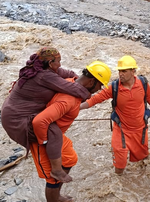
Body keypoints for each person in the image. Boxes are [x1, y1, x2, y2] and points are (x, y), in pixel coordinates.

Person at [1, 47, 91, 183]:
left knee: (51, 129)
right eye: (58, 61)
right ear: (50, 63)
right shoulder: (44, 75)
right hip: (17, 119)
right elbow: (73, 89)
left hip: (12, 111)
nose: (60, 65)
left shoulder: (42, 68)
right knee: (53, 132)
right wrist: (88, 91)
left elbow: (68, 73)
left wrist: (77, 78)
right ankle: (56, 170)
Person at [30, 61, 111, 202]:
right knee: (53, 176)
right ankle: (53, 199)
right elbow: (39, 122)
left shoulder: (70, 82)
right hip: (43, 136)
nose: (99, 89)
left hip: (55, 135)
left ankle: (57, 196)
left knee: (70, 158)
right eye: (99, 85)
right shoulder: (68, 100)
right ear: (92, 81)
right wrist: (44, 141)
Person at [80, 55, 150, 174]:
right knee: (120, 163)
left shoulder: (143, 83)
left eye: (124, 71)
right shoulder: (114, 87)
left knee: (143, 159)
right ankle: (120, 185)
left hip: (140, 129)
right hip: (121, 130)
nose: (121, 74)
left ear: (133, 71)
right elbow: (95, 99)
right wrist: (75, 108)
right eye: (119, 71)